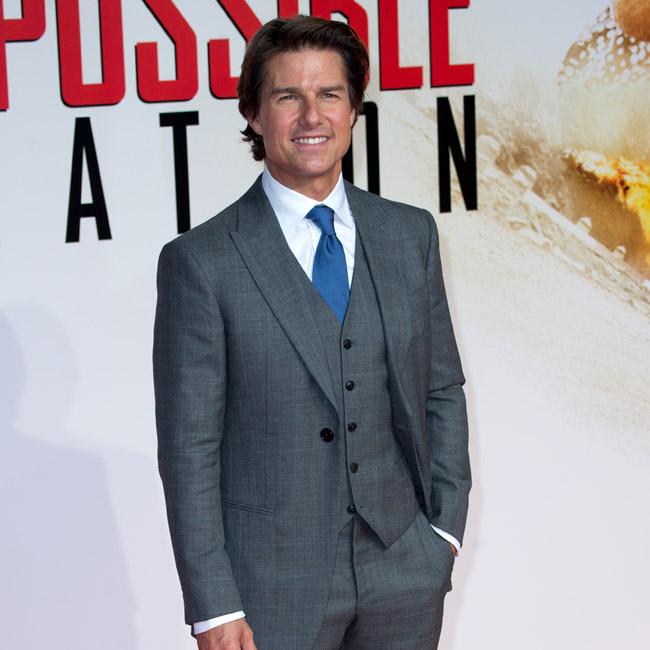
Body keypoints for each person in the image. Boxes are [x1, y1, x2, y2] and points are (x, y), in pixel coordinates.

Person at [153, 15, 470, 650]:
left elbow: (441, 390)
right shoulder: (202, 261)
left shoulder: (409, 235)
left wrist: (444, 532)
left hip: (403, 569)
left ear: (353, 108)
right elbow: (189, 449)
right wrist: (213, 605)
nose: (311, 116)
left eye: (329, 93)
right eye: (287, 96)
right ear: (253, 113)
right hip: (268, 586)